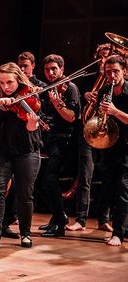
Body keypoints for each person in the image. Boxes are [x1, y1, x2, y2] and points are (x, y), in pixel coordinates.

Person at [0, 62, 42, 249]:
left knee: (25, 194)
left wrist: (31, 125)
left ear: (18, 80)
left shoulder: (30, 95)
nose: (6, 87)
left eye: (10, 83)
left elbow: (33, 127)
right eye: (3, 83)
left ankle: (26, 233)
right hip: (3, 151)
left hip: (27, 152)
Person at [66, 44, 111, 232]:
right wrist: (85, 97)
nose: (103, 61)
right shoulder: (88, 80)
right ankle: (81, 219)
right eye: (101, 57)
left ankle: (104, 219)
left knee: (109, 178)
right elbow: (77, 108)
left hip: (109, 132)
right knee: (85, 176)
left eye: (107, 58)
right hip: (88, 131)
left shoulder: (117, 84)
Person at [39, 54, 81, 237]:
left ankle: (60, 222)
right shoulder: (47, 88)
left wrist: (57, 103)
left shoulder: (70, 88)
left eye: (54, 69)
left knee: (50, 178)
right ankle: (57, 217)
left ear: (62, 70)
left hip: (65, 141)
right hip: (49, 139)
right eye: (47, 69)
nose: (50, 72)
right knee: (44, 181)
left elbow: (71, 116)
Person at [93, 55, 128, 246]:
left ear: (124, 71)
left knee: (123, 190)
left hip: (127, 148)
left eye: (116, 71)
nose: (112, 75)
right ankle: (121, 229)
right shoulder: (104, 90)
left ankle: (118, 234)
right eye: (108, 72)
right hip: (110, 146)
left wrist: (114, 112)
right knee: (113, 190)